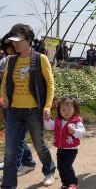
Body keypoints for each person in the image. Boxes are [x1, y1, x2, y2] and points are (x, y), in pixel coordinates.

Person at [1, 24, 56, 188]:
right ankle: (9, 185)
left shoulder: (41, 58)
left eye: (19, 40)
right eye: (13, 41)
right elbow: (4, 83)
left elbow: (50, 83)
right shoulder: (11, 60)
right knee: (10, 151)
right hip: (13, 112)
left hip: (34, 111)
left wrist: (47, 106)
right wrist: (4, 97)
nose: (15, 44)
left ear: (29, 40)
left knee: (39, 145)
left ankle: (49, 170)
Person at [0, 32, 37, 177]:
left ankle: (13, 167)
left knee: (18, 138)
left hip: (24, 106)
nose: (9, 50)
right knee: (13, 137)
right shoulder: (6, 60)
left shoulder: (32, 59)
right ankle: (27, 161)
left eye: (9, 47)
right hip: (9, 104)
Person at [44, 97, 85, 189]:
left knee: (67, 165)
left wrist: (74, 131)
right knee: (60, 166)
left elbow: (82, 133)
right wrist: (47, 120)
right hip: (61, 148)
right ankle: (65, 183)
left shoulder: (76, 121)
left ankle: (73, 183)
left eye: (69, 109)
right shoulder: (58, 120)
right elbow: (49, 126)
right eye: (63, 110)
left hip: (71, 149)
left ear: (75, 109)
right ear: (59, 110)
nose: (66, 112)